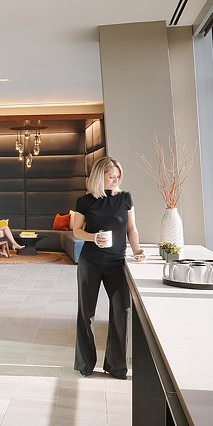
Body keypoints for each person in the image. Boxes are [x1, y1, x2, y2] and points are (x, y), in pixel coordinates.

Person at [72, 156, 145, 380]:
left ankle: (116, 367)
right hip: (90, 262)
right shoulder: (85, 201)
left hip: (116, 263)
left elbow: (131, 228)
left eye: (117, 176)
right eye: (111, 176)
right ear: (99, 176)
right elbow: (77, 231)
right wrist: (93, 237)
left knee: (122, 311)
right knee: (87, 313)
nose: (115, 180)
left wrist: (137, 250)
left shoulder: (125, 198)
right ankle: (85, 364)